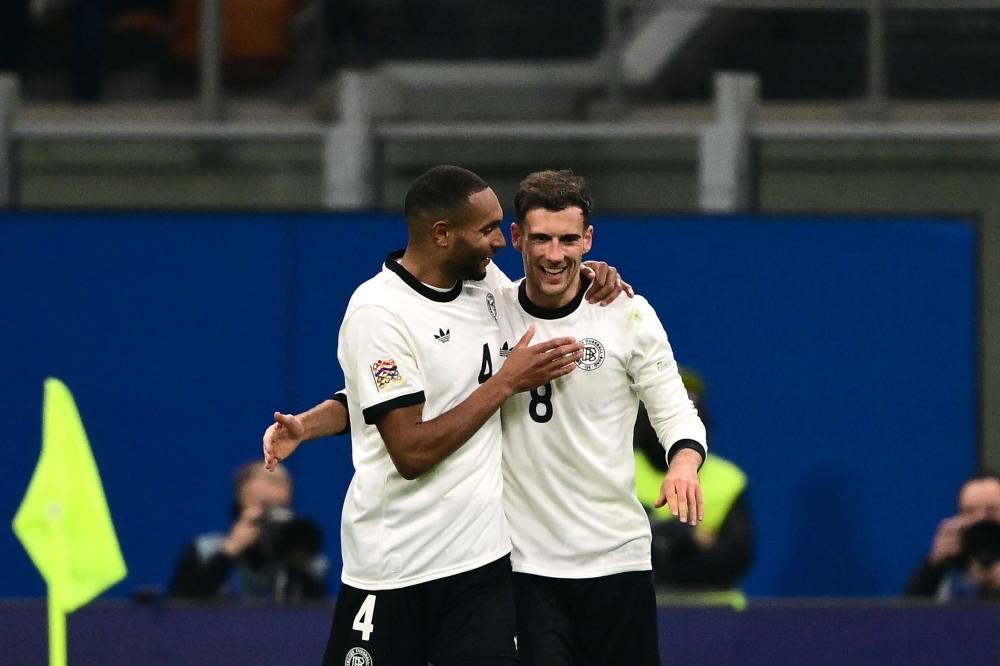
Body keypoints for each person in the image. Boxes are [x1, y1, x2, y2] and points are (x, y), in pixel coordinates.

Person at [263, 165, 630, 666]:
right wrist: (506, 383)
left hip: (480, 565)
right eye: (486, 230)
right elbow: (409, 449)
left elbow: (378, 397)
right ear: (441, 235)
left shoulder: (486, 286)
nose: (500, 242)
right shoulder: (379, 312)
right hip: (394, 567)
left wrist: (588, 273)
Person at [494, 169, 706, 666]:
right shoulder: (488, 311)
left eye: (569, 239)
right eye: (541, 239)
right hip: (522, 565)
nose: (554, 254)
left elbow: (675, 409)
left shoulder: (626, 314)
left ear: (588, 239)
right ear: (517, 237)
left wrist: (683, 463)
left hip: (617, 559)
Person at [633, 369, 754, 608]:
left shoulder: (728, 479)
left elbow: (736, 558)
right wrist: (690, 537)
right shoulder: (617, 471)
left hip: (714, 609)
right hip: (637, 606)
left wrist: (657, 536)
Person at [169, 460, 329, 602]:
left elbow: (314, 622)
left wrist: (295, 563)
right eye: (264, 506)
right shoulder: (204, 552)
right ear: (240, 506)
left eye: (280, 507)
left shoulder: (309, 565)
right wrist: (227, 555)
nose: (273, 516)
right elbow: (180, 615)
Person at [904, 472, 1000, 600]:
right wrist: (933, 567)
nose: (980, 519)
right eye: (970, 511)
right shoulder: (952, 562)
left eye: (991, 510)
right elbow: (906, 615)